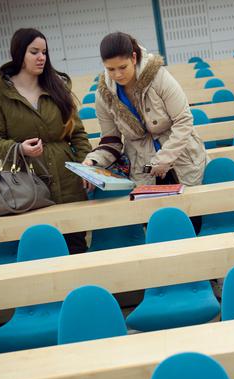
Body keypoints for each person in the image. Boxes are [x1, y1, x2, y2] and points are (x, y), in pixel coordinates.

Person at [0, 28, 91, 254]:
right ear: (19, 53)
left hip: (68, 181)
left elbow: (77, 134)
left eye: (44, 52)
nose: (41, 57)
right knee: (42, 252)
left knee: (76, 248)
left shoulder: (57, 86)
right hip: (26, 186)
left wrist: (85, 168)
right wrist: (17, 148)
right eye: (34, 52)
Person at [82, 32, 207, 231]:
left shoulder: (158, 77)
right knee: (155, 229)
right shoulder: (103, 95)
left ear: (134, 57)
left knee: (191, 225)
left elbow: (184, 121)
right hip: (143, 167)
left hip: (180, 161)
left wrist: (165, 159)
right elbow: (112, 140)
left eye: (122, 67)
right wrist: (92, 162)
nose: (117, 75)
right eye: (110, 69)